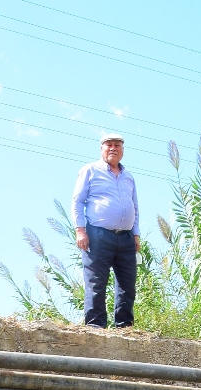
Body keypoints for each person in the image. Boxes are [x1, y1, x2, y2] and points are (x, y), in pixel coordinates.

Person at [72, 133, 140, 328]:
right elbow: (77, 201)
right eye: (108, 145)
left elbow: (134, 206)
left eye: (117, 145)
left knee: (127, 285)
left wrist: (136, 234)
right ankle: (95, 327)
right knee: (96, 282)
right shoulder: (90, 171)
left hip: (126, 237)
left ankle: (125, 327)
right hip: (98, 235)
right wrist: (80, 230)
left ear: (122, 150)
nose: (113, 148)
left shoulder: (128, 177)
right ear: (101, 149)